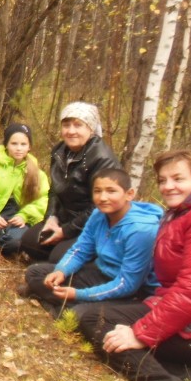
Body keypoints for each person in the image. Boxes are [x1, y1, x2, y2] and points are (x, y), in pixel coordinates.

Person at [78, 150, 191, 381]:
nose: (168, 186)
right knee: (97, 318)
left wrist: (141, 333)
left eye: (178, 179)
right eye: (163, 180)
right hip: (186, 312)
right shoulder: (183, 212)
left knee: (99, 321)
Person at [23, 168, 160, 317]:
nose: (103, 197)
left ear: (129, 194)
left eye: (111, 191)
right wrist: (61, 271)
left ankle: (69, 306)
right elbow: (80, 249)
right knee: (35, 272)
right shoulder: (98, 214)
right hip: (100, 273)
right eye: (97, 191)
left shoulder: (140, 230)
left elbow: (127, 284)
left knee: (81, 315)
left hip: (128, 289)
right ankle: (65, 305)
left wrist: (79, 294)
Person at [21, 102, 120, 264]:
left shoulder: (102, 159)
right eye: (66, 125)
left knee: (58, 257)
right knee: (29, 241)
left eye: (78, 125)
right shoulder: (59, 151)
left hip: (94, 225)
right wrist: (51, 217)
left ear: (90, 128)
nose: (71, 131)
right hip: (65, 217)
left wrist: (66, 231)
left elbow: (99, 207)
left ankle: (86, 259)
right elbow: (55, 190)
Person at [0, 123, 50, 257]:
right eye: (14, 143)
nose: (19, 148)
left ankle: (8, 244)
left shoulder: (37, 173)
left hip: (17, 218)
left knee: (18, 242)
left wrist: (24, 216)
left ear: (29, 146)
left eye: (23, 144)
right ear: (6, 145)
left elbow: (43, 200)